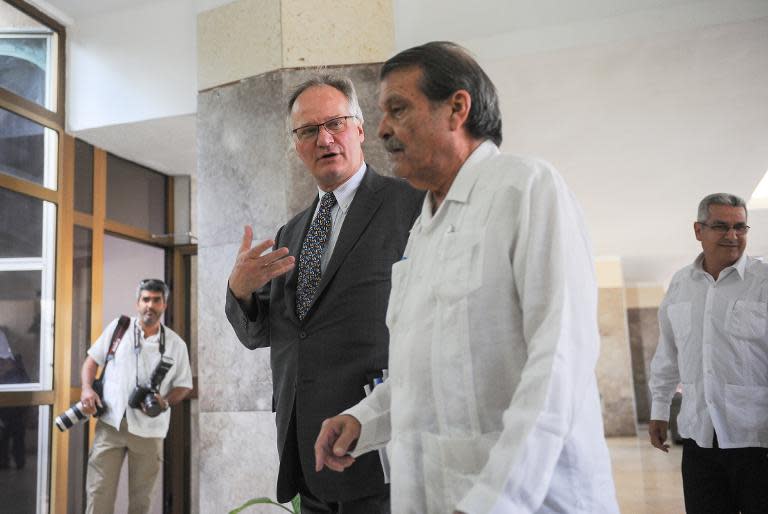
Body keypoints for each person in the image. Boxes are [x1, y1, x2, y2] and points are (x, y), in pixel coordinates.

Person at [314, 42, 620, 514]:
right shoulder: (423, 230)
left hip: (527, 501)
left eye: (398, 108)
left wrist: (498, 501)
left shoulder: (528, 188)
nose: (381, 129)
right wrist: (363, 420)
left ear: (457, 107)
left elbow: (558, 361)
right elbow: (423, 373)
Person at [225, 74, 423, 513]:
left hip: (376, 446)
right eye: (309, 130)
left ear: (360, 129)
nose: (324, 139)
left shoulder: (410, 205)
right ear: (296, 144)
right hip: (303, 452)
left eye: (335, 123)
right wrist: (240, 292)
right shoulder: (291, 232)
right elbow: (272, 334)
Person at [648, 193, 768, 514]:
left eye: (740, 227)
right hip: (699, 439)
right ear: (698, 230)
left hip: (757, 440)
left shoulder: (764, 281)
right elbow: (668, 353)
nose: (732, 235)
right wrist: (659, 409)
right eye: (721, 226)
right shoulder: (680, 285)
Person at [80, 279, 192, 514]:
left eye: (156, 300)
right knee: (98, 492)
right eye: (146, 299)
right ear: (137, 303)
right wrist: (87, 389)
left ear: (165, 305)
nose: (150, 305)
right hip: (110, 424)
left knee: (142, 500)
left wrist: (165, 401)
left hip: (149, 431)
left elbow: (183, 386)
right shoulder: (118, 329)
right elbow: (91, 361)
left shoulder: (175, 344)